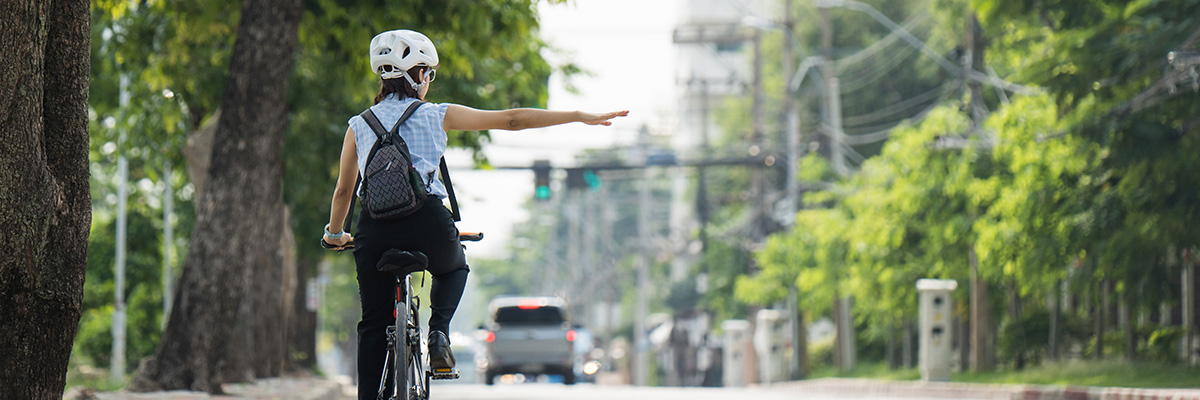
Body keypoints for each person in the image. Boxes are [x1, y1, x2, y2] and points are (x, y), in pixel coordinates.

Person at [321, 29, 627, 398]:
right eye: (428, 74)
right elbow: (512, 119)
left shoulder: (358, 126)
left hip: (374, 228)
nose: (428, 82)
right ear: (418, 75)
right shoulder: (437, 115)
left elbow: (343, 191)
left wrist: (335, 234)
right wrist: (578, 115)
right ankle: (438, 332)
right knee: (454, 268)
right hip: (428, 223)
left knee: (372, 323)